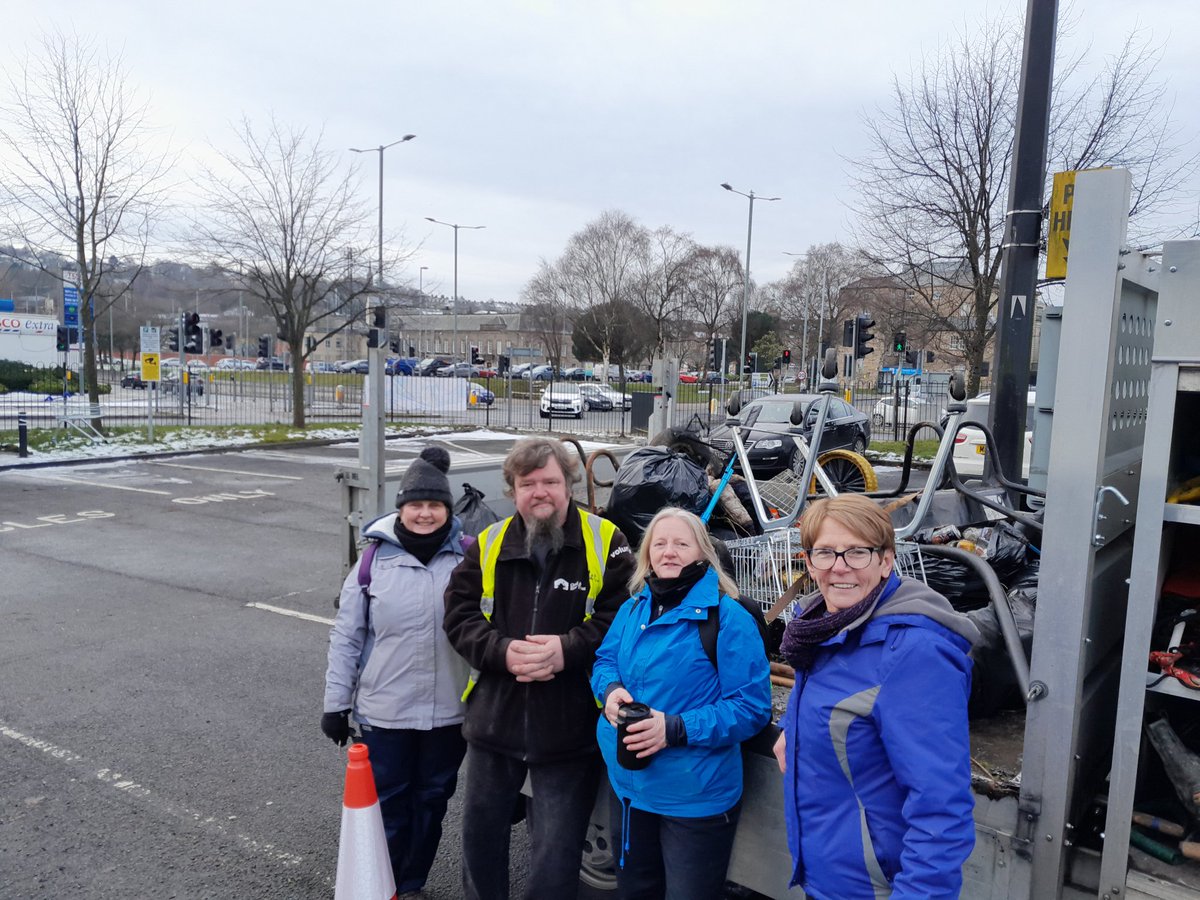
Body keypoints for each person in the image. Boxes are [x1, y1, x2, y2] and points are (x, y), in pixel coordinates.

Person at [443, 437, 636, 900]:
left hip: (568, 729)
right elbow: (458, 614)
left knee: (555, 855)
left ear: (568, 485)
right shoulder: (488, 544)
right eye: (527, 484)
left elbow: (624, 614)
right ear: (512, 490)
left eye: (550, 481)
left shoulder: (607, 541)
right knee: (481, 844)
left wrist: (567, 650)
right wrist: (503, 652)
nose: (540, 492)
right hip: (494, 722)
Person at [773, 494, 980, 900]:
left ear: (886, 560)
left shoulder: (913, 653)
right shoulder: (823, 626)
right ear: (809, 561)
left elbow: (941, 809)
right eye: (826, 553)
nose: (840, 567)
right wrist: (793, 727)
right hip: (829, 877)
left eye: (858, 553)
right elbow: (844, 702)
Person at [591, 508, 772, 900]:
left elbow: (752, 708)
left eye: (681, 543)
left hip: (695, 798)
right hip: (628, 788)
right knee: (635, 892)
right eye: (659, 543)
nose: (668, 552)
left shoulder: (728, 618)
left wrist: (673, 728)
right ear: (647, 555)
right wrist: (609, 692)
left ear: (702, 553)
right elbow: (605, 661)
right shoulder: (634, 607)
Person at [322, 446, 469, 900]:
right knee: (388, 807)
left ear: (447, 509)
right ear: (401, 509)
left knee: (431, 805)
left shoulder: (468, 560)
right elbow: (347, 638)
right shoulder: (371, 564)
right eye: (416, 505)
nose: (425, 514)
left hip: (449, 715)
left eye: (435, 505)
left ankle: (411, 885)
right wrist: (335, 704)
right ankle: (378, 887)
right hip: (385, 714)